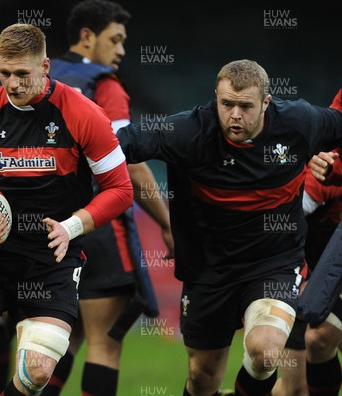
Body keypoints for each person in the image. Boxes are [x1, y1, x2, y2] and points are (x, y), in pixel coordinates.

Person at [117, 59, 342, 396]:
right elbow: (115, 144)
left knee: (265, 353)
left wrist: (330, 160)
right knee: (202, 377)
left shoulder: (300, 122)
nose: (234, 115)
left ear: (266, 103)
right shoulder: (188, 131)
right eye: (227, 104)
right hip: (209, 270)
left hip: (274, 263)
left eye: (245, 106)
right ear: (216, 98)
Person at [0, 23, 133, 396]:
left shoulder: (85, 115)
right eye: (4, 73)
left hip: (51, 257)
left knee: (36, 372)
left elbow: (120, 189)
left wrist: (72, 227)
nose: (13, 84)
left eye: (23, 74)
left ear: (45, 67)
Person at [42, 1, 173, 395]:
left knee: (59, 341)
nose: (121, 52)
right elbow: (127, 165)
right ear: (87, 37)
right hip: (98, 226)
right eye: (115, 40)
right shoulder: (104, 85)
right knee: (104, 341)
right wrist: (167, 224)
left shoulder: (38, 79)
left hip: (46, 232)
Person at [270, 88, 342, 396]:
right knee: (292, 389)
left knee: (320, 337)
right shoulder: (322, 174)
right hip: (304, 269)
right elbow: (282, 228)